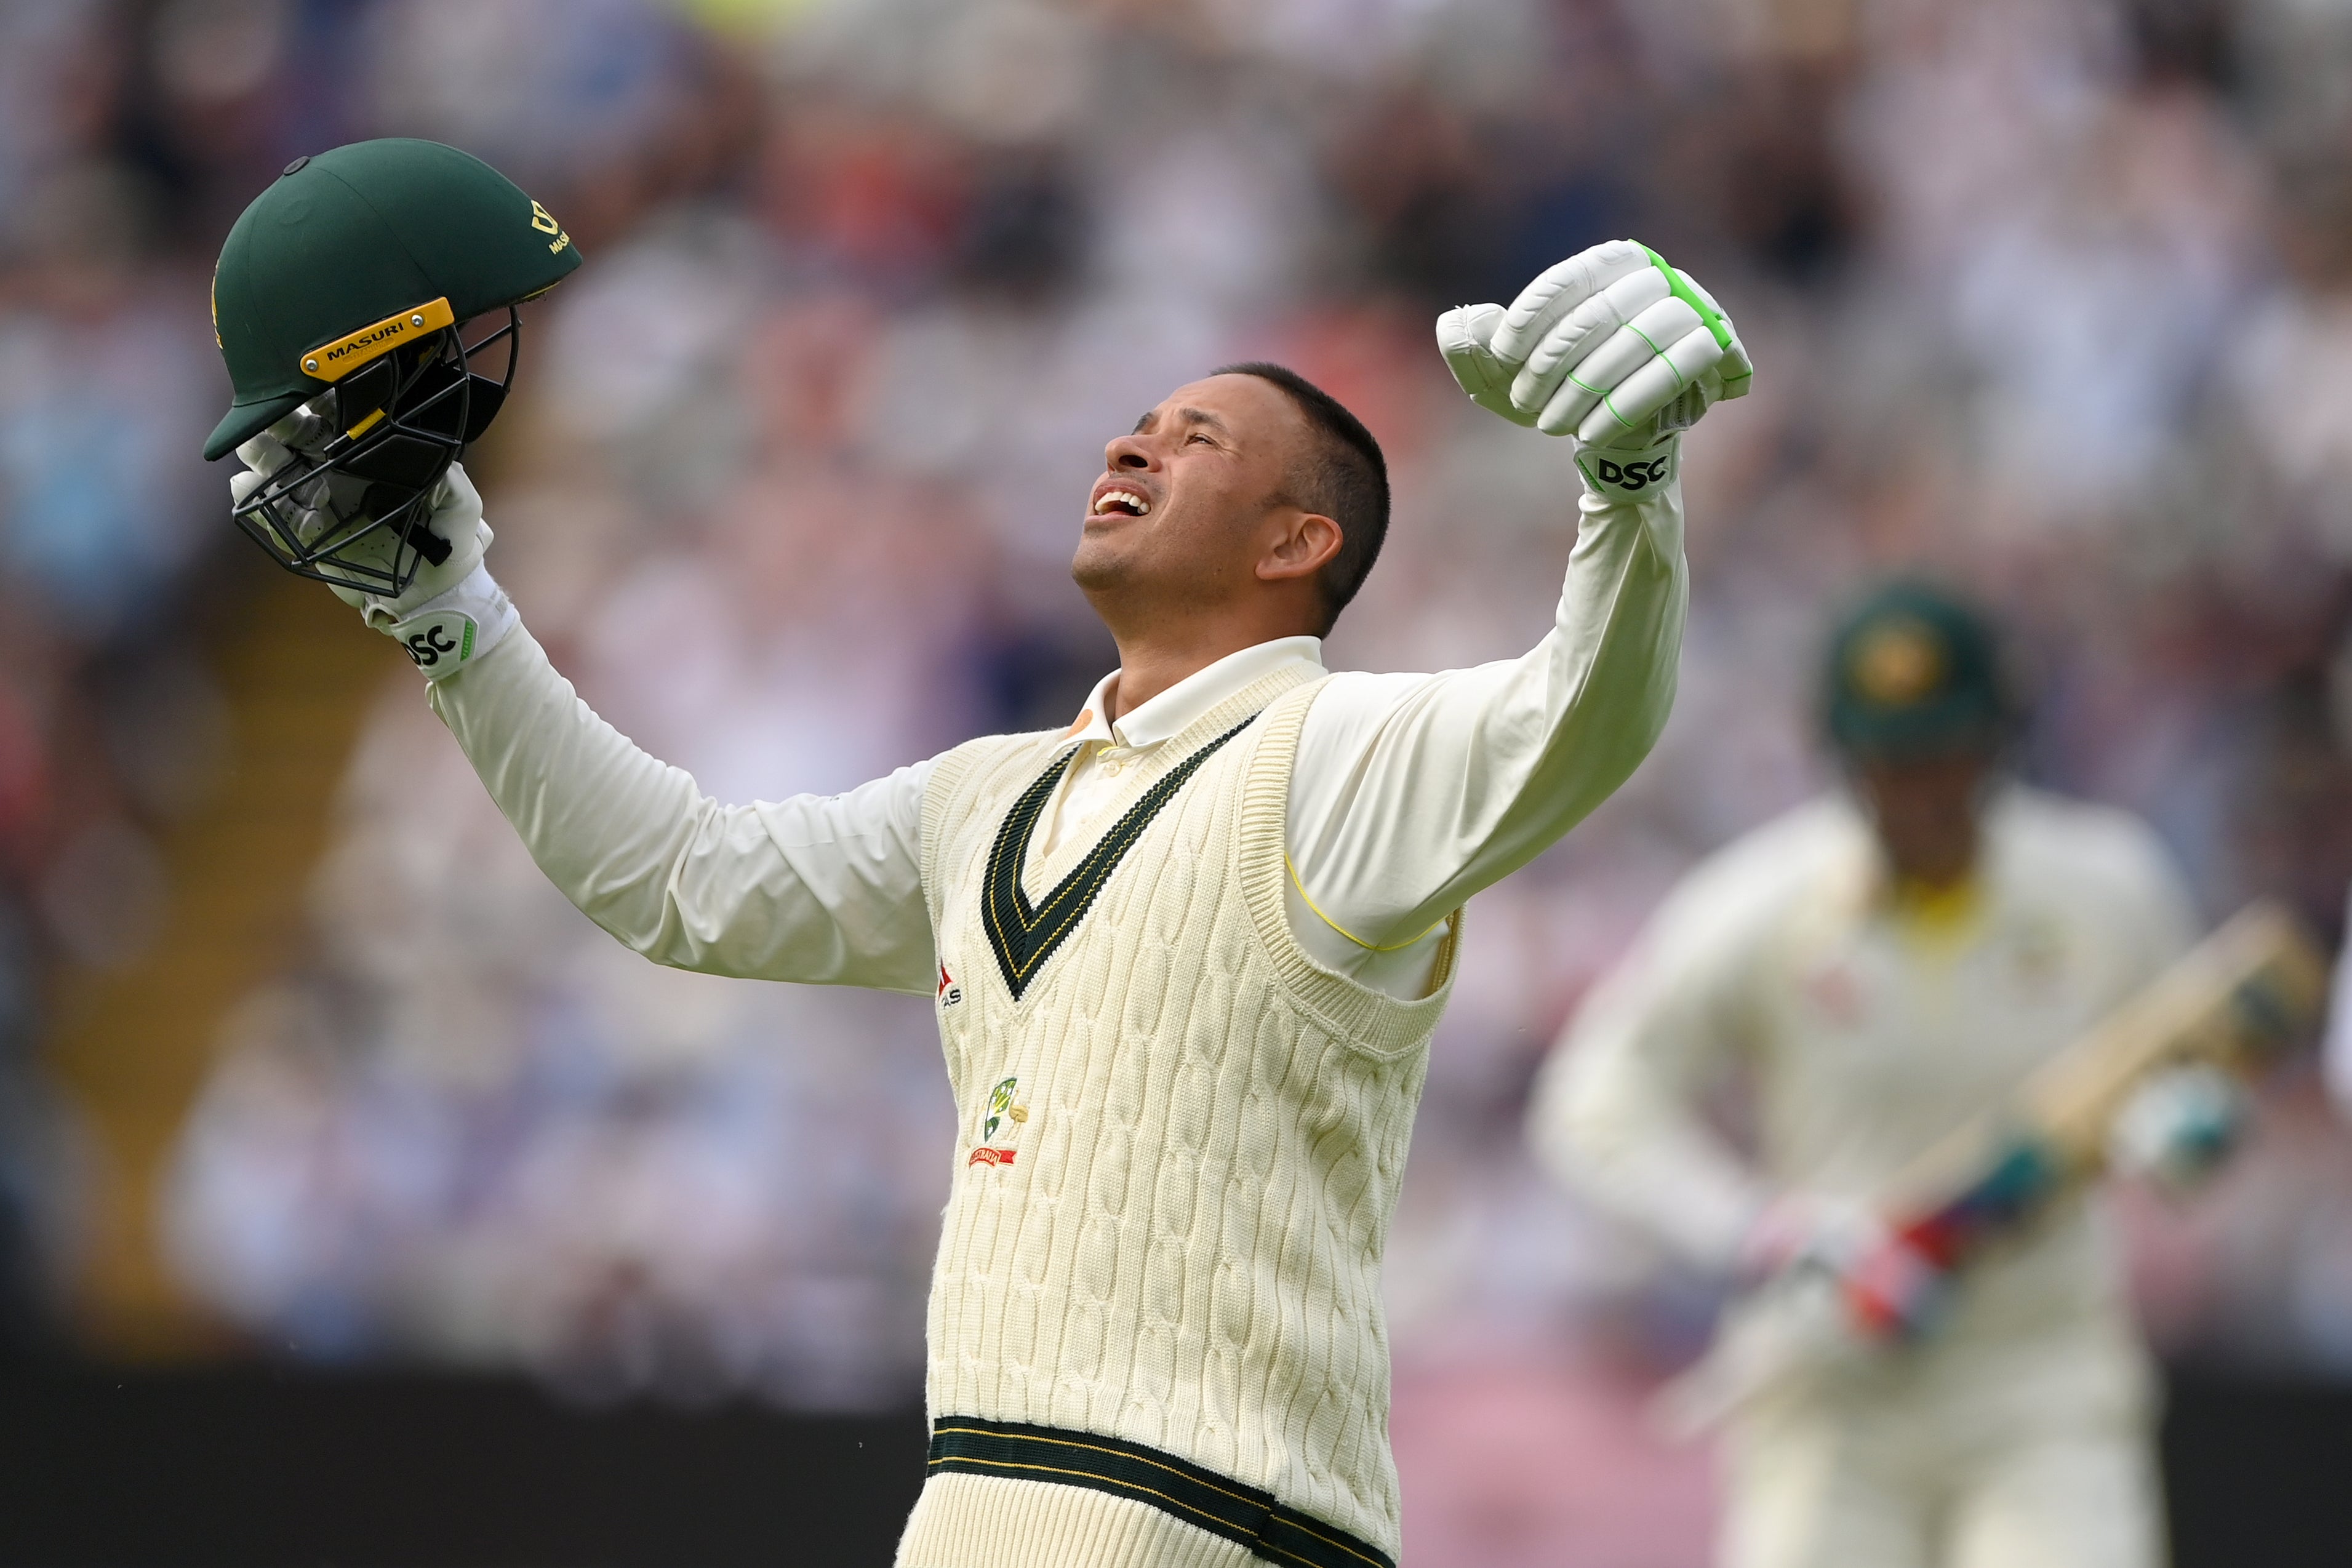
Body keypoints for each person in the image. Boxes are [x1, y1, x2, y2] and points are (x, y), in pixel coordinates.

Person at [207, 140, 1753, 1568]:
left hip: (1213, 1513)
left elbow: (1583, 714)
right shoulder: (984, 796)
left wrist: (1628, 486)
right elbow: (679, 878)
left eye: (1195, 439)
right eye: (1136, 423)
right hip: (974, 1503)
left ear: (1300, 543)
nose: (1131, 445)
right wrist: (452, 617)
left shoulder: (1337, 754)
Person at [1527, 582, 2234, 1568]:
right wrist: (1759, 1229)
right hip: (1831, 1383)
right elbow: (1593, 1103)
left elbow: (2197, 1069)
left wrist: (2184, 1132)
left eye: (1945, 758)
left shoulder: (2105, 885)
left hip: (2040, 1375)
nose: (1920, 796)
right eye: (1890, 765)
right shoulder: (1763, 903)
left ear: (1997, 743)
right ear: (1844, 761)